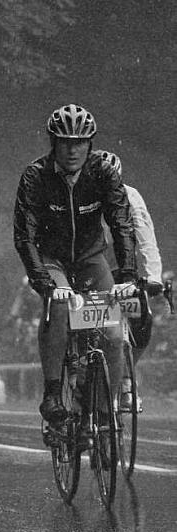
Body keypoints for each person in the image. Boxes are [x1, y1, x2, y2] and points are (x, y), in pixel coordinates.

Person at [13, 104, 137, 427]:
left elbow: (122, 223)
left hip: (91, 258)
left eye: (80, 142)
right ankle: (53, 391)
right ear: (53, 143)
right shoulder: (35, 177)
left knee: (112, 330)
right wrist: (44, 282)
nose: (72, 150)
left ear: (90, 144)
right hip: (52, 259)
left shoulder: (103, 173)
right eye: (65, 142)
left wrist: (127, 274)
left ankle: (104, 408)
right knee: (58, 307)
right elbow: (24, 236)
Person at [96, 150, 163, 409]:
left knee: (142, 317)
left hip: (124, 270)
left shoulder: (130, 196)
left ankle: (125, 377)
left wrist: (153, 277)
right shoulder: (84, 194)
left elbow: (146, 237)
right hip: (90, 269)